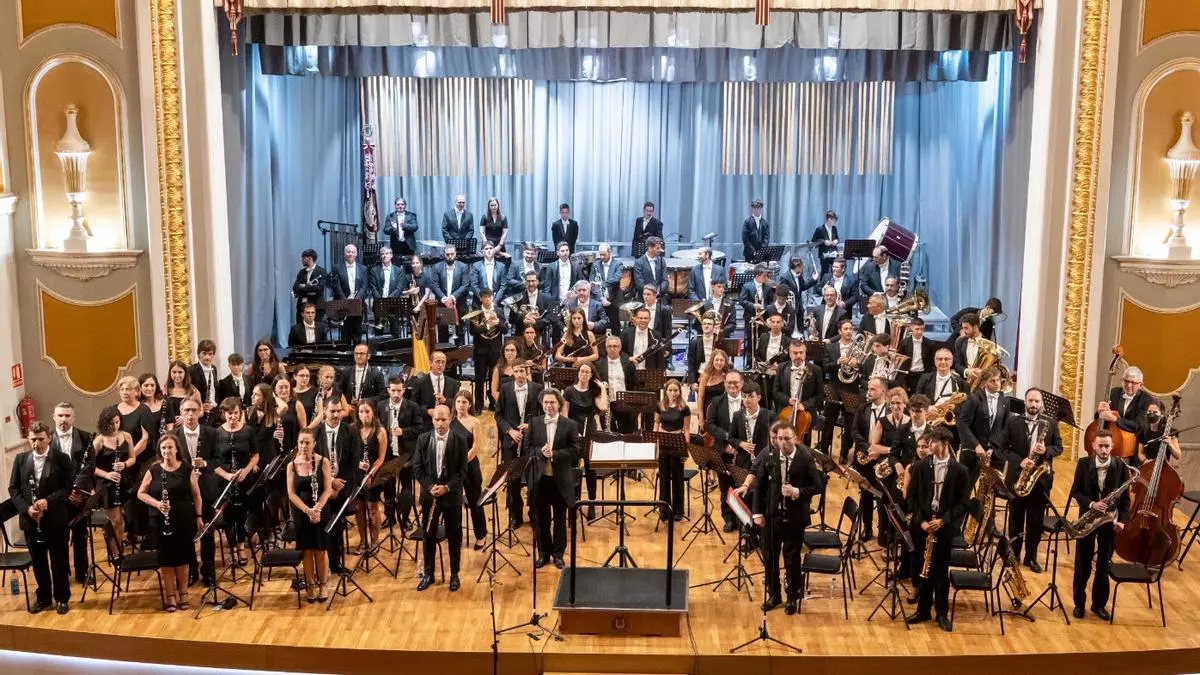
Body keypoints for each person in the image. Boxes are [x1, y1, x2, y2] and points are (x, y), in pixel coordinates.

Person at [748, 421, 825, 614]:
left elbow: (818, 486)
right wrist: (757, 513)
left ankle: (792, 596)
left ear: (795, 439)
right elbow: (759, 485)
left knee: (792, 559)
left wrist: (797, 491)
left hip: (794, 518)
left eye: (787, 439)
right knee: (770, 558)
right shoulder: (769, 455)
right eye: (780, 438)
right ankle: (774, 595)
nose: (782, 442)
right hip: (771, 517)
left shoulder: (805, 457)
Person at [905, 426, 970, 632]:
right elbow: (912, 498)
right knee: (922, 569)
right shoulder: (920, 466)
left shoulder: (960, 471)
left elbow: (963, 504)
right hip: (923, 526)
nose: (929, 445)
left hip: (944, 527)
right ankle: (923, 611)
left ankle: (941, 613)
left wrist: (943, 521)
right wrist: (921, 521)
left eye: (934, 442)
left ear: (945, 444)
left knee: (940, 571)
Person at [9, 422, 76, 614]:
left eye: (40, 439)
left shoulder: (61, 458)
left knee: (59, 560)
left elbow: (67, 488)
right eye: (33, 440)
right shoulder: (21, 459)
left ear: (49, 438)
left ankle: (62, 598)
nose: (36, 443)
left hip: (54, 518)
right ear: (28, 439)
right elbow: (14, 489)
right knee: (38, 562)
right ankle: (43, 598)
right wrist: (27, 509)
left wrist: (48, 501)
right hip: (31, 520)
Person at [995, 388, 1062, 571]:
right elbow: (1002, 449)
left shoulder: (1051, 423)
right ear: (1025, 401)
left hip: (1040, 481)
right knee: (1015, 520)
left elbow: (1058, 447)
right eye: (1031, 401)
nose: (1034, 404)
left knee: (1035, 521)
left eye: (1037, 401)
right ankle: (1014, 554)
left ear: (1042, 404)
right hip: (1018, 477)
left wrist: (1046, 451)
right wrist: (1020, 461)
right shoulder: (1012, 421)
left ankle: (1031, 558)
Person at [1070, 430, 1131, 621]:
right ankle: (1079, 604)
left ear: (1112, 447)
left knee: (1104, 565)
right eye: (1100, 446)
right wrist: (1091, 504)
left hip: (1109, 521)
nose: (1104, 450)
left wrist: (1121, 521)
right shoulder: (1083, 463)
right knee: (1082, 564)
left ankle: (1099, 605)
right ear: (1093, 446)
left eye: (1107, 446)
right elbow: (1075, 491)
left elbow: (1125, 500)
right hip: (1087, 519)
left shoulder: (1120, 466)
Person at [136, 434, 202, 612]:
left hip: (183, 518)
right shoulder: (154, 470)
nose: (167, 451)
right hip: (160, 519)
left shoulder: (186, 469)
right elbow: (141, 493)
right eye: (163, 448)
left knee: (183, 557)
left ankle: (183, 593)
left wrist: (199, 516)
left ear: (177, 449)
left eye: (170, 447)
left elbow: (196, 494)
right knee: (166, 559)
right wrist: (158, 504)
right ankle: (170, 596)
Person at [414, 405, 469, 591]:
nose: (440, 423)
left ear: (450, 419)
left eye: (443, 420)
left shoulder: (460, 440)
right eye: (436, 420)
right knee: (428, 535)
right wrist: (430, 487)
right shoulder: (423, 439)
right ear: (432, 420)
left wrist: (447, 487)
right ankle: (428, 574)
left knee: (454, 535)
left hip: (451, 497)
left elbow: (463, 471)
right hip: (429, 496)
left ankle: (454, 574)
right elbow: (417, 468)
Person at [528, 389, 580, 569]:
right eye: (545, 402)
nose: (548, 405)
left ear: (559, 404)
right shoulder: (534, 423)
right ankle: (543, 553)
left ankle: (558, 554)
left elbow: (575, 450)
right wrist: (540, 452)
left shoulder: (569, 424)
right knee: (541, 520)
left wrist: (555, 454)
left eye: (552, 402)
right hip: (540, 479)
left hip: (560, 479)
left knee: (559, 518)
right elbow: (528, 448)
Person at [172, 398, 219, 586]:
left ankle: (209, 572)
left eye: (193, 410)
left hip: (206, 489)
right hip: (183, 491)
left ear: (200, 411)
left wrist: (205, 463)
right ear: (181, 413)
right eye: (186, 410)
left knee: (207, 532)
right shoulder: (173, 436)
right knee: (186, 534)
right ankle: (191, 570)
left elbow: (219, 460)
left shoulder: (212, 433)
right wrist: (188, 472)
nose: (190, 414)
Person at [287, 428, 333, 603]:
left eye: (307, 442)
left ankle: (323, 584)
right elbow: (291, 494)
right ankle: (311, 584)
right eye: (301, 442)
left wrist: (318, 508)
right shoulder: (291, 465)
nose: (303, 446)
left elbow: (328, 489)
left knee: (320, 549)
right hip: (301, 512)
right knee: (306, 549)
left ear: (314, 444)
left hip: (320, 510)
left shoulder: (323, 462)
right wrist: (307, 510)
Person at [50, 403, 92, 584]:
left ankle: (82, 572)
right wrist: (66, 493)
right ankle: (62, 573)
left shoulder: (86, 437)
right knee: (60, 538)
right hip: (58, 497)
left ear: (73, 418)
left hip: (79, 495)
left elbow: (89, 466)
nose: (63, 419)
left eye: (67, 416)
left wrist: (76, 489)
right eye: (60, 415)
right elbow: (47, 471)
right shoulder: (47, 438)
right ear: (54, 417)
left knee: (80, 535)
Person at [496, 363, 543, 527]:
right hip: (512, 441)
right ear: (513, 373)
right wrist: (510, 431)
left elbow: (543, 415)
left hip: (532, 442)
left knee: (533, 478)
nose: (519, 374)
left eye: (522, 371)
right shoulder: (505, 388)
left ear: (527, 371)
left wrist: (531, 426)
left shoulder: (537, 388)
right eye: (516, 371)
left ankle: (534, 513)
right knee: (513, 479)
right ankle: (515, 514)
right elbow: (498, 415)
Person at [376, 375, 425, 532]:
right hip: (388, 454)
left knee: (406, 488)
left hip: (406, 455)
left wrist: (403, 431)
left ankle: (405, 518)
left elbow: (420, 428)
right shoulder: (380, 406)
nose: (396, 394)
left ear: (404, 390)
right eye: (393, 390)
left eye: (399, 390)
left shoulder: (413, 406)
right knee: (388, 487)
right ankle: (390, 517)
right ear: (388, 390)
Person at [215, 397, 260, 566]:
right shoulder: (217, 433)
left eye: (235, 413)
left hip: (244, 478)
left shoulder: (248, 431)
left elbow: (255, 455)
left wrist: (246, 471)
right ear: (223, 413)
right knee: (227, 514)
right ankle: (232, 547)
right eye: (229, 413)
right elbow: (213, 461)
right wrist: (226, 475)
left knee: (242, 513)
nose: (233, 417)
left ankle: (241, 546)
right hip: (224, 480)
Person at [315, 397, 354, 574]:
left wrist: (339, 485)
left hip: (341, 487)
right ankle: (322, 565)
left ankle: (335, 563)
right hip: (321, 488)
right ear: (324, 410)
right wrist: (330, 482)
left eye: (339, 411)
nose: (336, 415)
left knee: (337, 527)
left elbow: (353, 462)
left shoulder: (350, 431)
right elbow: (313, 463)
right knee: (323, 527)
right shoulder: (316, 433)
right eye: (332, 411)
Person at [563, 363, 607, 516]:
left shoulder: (594, 390)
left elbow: (603, 407)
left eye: (587, 372)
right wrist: (570, 433)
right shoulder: (569, 391)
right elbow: (565, 415)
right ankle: (573, 503)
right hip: (574, 433)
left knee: (590, 470)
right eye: (582, 371)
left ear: (591, 375)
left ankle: (592, 504)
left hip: (590, 433)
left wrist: (603, 389)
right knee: (573, 469)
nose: (584, 374)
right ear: (578, 372)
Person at [705, 370, 745, 532]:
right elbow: (710, 424)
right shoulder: (716, 402)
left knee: (742, 485)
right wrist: (727, 436)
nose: (732, 385)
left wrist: (739, 442)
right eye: (729, 382)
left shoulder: (748, 400)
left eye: (735, 382)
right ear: (724, 384)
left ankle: (742, 519)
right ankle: (728, 519)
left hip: (743, 451)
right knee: (725, 486)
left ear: (742, 383)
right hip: (723, 450)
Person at [956, 366, 1009, 484]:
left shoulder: (1004, 401)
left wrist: (993, 448)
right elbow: (962, 424)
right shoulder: (974, 399)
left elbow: (1003, 428)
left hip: (994, 452)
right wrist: (976, 445)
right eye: (992, 381)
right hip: (973, 450)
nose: (997, 383)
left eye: (998, 380)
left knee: (993, 488)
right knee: (966, 486)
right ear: (985, 383)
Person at [450, 390, 488, 550]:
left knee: (474, 501)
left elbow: (476, 446)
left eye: (464, 402)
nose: (461, 405)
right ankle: (456, 536)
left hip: (470, 466)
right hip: (453, 468)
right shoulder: (450, 421)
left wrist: (463, 462)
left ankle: (481, 535)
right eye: (458, 401)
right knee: (455, 503)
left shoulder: (474, 422)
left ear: (470, 404)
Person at [821, 319, 861, 463]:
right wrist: (838, 362)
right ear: (839, 331)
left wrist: (857, 364)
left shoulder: (858, 348)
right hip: (833, 387)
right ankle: (824, 450)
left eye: (851, 329)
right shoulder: (831, 348)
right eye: (846, 329)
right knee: (829, 421)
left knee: (850, 424)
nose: (849, 331)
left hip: (851, 389)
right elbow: (825, 367)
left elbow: (864, 368)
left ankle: (844, 453)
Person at [351, 400, 387, 551]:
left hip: (374, 474)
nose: (364, 415)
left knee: (372, 508)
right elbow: (349, 454)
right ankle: (363, 541)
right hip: (357, 473)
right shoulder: (352, 429)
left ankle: (374, 541)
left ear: (373, 413)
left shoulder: (380, 431)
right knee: (359, 508)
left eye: (367, 411)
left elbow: (381, 458)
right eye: (361, 412)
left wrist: (371, 474)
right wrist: (358, 465)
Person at [773, 342, 824, 446]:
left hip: (806, 414)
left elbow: (819, 395)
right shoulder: (782, 367)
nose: (798, 356)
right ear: (790, 354)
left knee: (804, 445)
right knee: (783, 442)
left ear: (805, 353)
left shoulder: (816, 370)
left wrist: (804, 405)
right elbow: (776, 391)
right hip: (785, 413)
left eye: (801, 352)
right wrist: (788, 400)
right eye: (795, 353)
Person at [655, 379, 691, 521]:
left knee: (677, 478)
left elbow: (686, 430)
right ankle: (664, 510)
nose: (673, 393)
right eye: (670, 390)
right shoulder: (660, 406)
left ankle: (677, 511)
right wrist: (654, 444)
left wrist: (685, 450)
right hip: (664, 445)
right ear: (666, 391)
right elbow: (657, 423)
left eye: (675, 390)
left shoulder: (684, 408)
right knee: (664, 478)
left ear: (679, 391)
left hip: (677, 445)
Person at [593, 336, 637, 434]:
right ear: (606, 348)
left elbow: (634, 384)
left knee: (627, 433)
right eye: (609, 346)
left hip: (624, 403)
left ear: (620, 348)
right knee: (608, 434)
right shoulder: (598, 364)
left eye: (615, 346)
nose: (612, 349)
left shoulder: (628, 363)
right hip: (607, 404)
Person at [1095, 366, 1152, 435]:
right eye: (1126, 381)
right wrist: (1100, 412)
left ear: (1140, 385)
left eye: (1133, 382)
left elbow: (1138, 426)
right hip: (1112, 436)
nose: (1129, 385)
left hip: (1132, 440)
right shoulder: (1114, 393)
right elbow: (1100, 419)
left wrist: (1115, 419)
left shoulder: (1146, 400)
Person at [330, 244, 368, 344]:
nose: (350, 254)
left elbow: (364, 286)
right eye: (348, 252)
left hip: (357, 303)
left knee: (357, 330)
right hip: (343, 303)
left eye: (353, 252)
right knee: (345, 331)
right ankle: (345, 350)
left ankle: (357, 350)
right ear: (344, 254)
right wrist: (345, 300)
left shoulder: (363, 268)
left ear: (356, 254)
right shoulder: (337, 268)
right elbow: (336, 286)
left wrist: (356, 300)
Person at [694, 348, 732, 432]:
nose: (719, 363)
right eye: (717, 360)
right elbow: (700, 397)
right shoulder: (705, 376)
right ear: (712, 361)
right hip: (706, 410)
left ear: (725, 362)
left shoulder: (727, 376)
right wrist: (701, 416)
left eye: (722, 360)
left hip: (721, 412)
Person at [371, 246, 405, 335]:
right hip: (379, 304)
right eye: (382, 254)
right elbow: (373, 287)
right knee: (378, 331)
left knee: (395, 331)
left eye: (386, 253)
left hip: (393, 304)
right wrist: (380, 301)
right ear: (380, 256)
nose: (384, 255)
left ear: (391, 255)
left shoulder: (399, 271)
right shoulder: (374, 270)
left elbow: (399, 288)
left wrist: (388, 300)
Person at [1137, 399, 1182, 466]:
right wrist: (1145, 460)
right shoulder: (1143, 431)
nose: (1151, 414)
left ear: (1162, 415)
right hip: (1148, 467)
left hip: (1164, 467)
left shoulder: (1170, 432)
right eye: (1149, 411)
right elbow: (1140, 453)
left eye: (1155, 412)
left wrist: (1170, 444)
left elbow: (1178, 455)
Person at [590, 243, 624, 330]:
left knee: (615, 326)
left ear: (610, 252)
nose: (601, 257)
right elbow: (592, 284)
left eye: (604, 254)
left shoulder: (618, 264)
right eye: (600, 254)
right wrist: (602, 298)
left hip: (613, 300)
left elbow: (616, 279)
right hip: (599, 300)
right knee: (600, 327)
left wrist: (601, 283)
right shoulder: (595, 265)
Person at [898, 317, 934, 393]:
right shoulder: (904, 342)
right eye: (917, 329)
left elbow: (932, 362)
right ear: (911, 328)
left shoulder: (929, 343)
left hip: (923, 375)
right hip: (908, 376)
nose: (919, 332)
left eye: (922, 329)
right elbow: (900, 361)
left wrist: (929, 375)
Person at [188, 339, 220, 425]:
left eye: (210, 354)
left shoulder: (214, 369)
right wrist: (201, 405)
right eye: (204, 353)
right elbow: (188, 394)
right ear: (198, 354)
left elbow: (214, 390)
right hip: (200, 413)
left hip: (214, 412)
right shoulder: (191, 370)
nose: (207, 357)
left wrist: (214, 405)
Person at [163, 360, 202, 429]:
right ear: (170, 373)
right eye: (174, 372)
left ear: (185, 373)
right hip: (170, 429)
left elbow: (201, 411)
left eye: (180, 372)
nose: (177, 375)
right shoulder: (165, 390)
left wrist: (185, 417)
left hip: (189, 426)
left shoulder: (193, 391)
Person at [292, 248, 327, 322]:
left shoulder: (322, 271)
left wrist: (304, 287)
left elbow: (320, 289)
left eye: (303, 258)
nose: (301, 260)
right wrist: (311, 289)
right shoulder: (301, 272)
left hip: (317, 308)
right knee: (301, 328)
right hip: (302, 308)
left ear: (310, 258)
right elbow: (295, 288)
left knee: (316, 328)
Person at [471, 243, 508, 307]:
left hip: (496, 302)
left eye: (491, 248)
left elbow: (503, 286)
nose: (489, 250)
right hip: (480, 302)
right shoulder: (476, 266)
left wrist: (495, 301)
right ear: (483, 252)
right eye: (486, 249)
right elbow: (474, 285)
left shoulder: (502, 266)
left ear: (494, 250)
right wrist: (484, 298)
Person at [811, 210, 840, 277]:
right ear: (829, 219)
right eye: (834, 220)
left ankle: (833, 283)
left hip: (834, 253)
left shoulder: (834, 228)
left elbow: (837, 238)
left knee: (834, 271)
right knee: (824, 272)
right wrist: (824, 242)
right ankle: (823, 283)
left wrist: (836, 241)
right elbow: (814, 240)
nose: (835, 222)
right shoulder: (820, 229)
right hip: (824, 255)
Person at [491, 341, 522, 405]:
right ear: (503, 352)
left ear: (517, 352)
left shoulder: (523, 367)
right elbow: (494, 391)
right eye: (507, 350)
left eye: (512, 350)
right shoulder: (498, 369)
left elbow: (529, 388)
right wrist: (503, 403)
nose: (509, 353)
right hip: (502, 403)